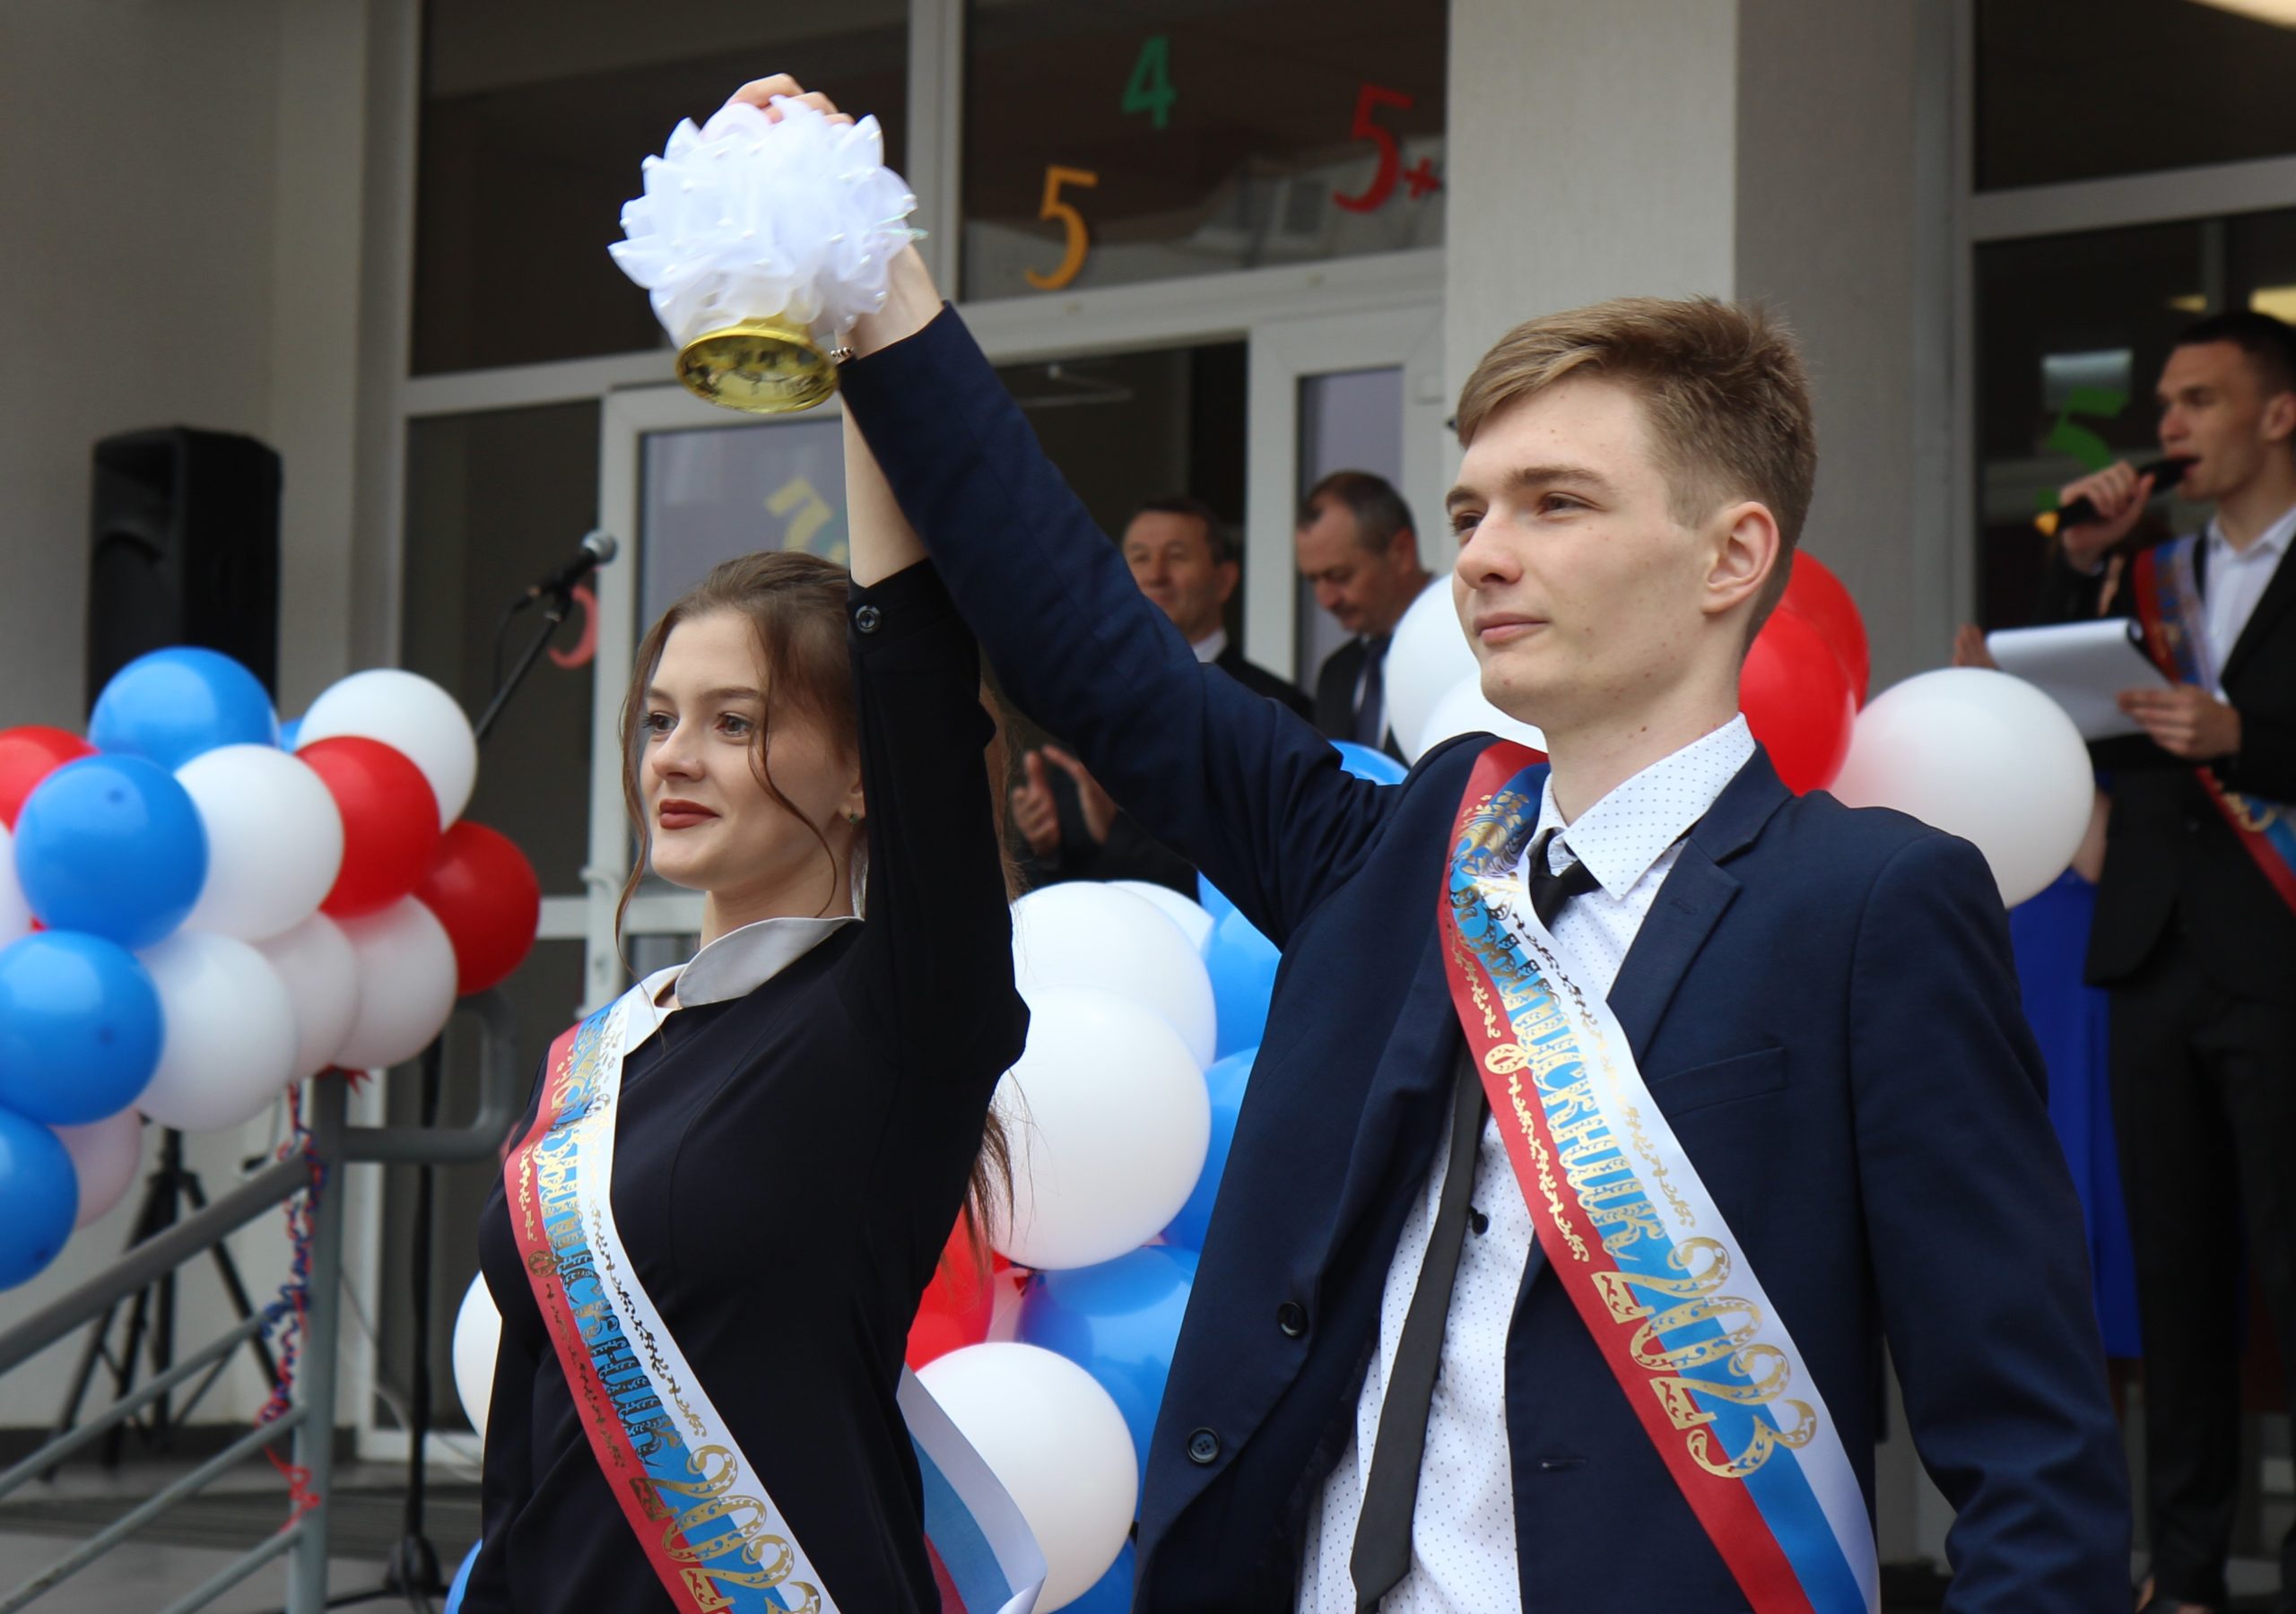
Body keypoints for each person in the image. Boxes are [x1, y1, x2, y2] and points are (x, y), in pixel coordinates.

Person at [799, 65, 2125, 1605]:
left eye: (1555, 504)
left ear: (1732, 554)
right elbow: (1089, 647)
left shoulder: (1874, 905)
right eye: (1474, 507)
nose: (1485, 557)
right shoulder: (1396, 850)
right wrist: (875, 275)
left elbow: (2032, 1457)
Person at [464, 147, 1029, 1607]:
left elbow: (911, 654)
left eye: (737, 722)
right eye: (659, 721)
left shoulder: (902, 1014)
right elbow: (529, 1451)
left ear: (858, 776)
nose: (676, 757)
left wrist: (843, 280)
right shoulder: (600, 1055)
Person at [2031, 308, 2296, 1614]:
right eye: (2167, 403)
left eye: (2198, 399)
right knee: (2175, 1279)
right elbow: (2079, 728)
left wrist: (2246, 731)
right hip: (2150, 953)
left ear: (2277, 414)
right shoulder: (2147, 577)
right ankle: (2184, 1571)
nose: (2170, 426)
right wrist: (2085, 567)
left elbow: (2242, 734)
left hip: (2279, 956)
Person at [1011, 495, 1306, 893]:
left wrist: (1116, 834)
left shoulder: (1276, 707)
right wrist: (1046, 846)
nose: (1155, 575)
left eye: (1177, 555)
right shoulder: (1087, 701)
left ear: (1224, 579)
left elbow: (1267, 863)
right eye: (1139, 557)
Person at [1295, 470, 1433, 758]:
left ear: (1402, 552)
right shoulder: (1336, 672)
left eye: (1340, 576)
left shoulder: (1469, 646)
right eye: (1313, 580)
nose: (1326, 600)